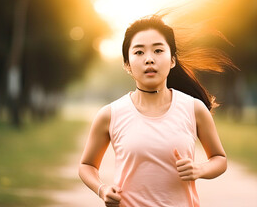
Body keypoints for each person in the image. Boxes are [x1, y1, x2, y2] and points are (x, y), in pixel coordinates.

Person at [79, 15, 232, 207]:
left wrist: (199, 170)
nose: (149, 59)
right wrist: (102, 189)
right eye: (139, 52)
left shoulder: (193, 108)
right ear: (127, 64)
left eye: (158, 50)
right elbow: (87, 165)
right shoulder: (110, 114)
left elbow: (220, 159)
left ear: (173, 60)